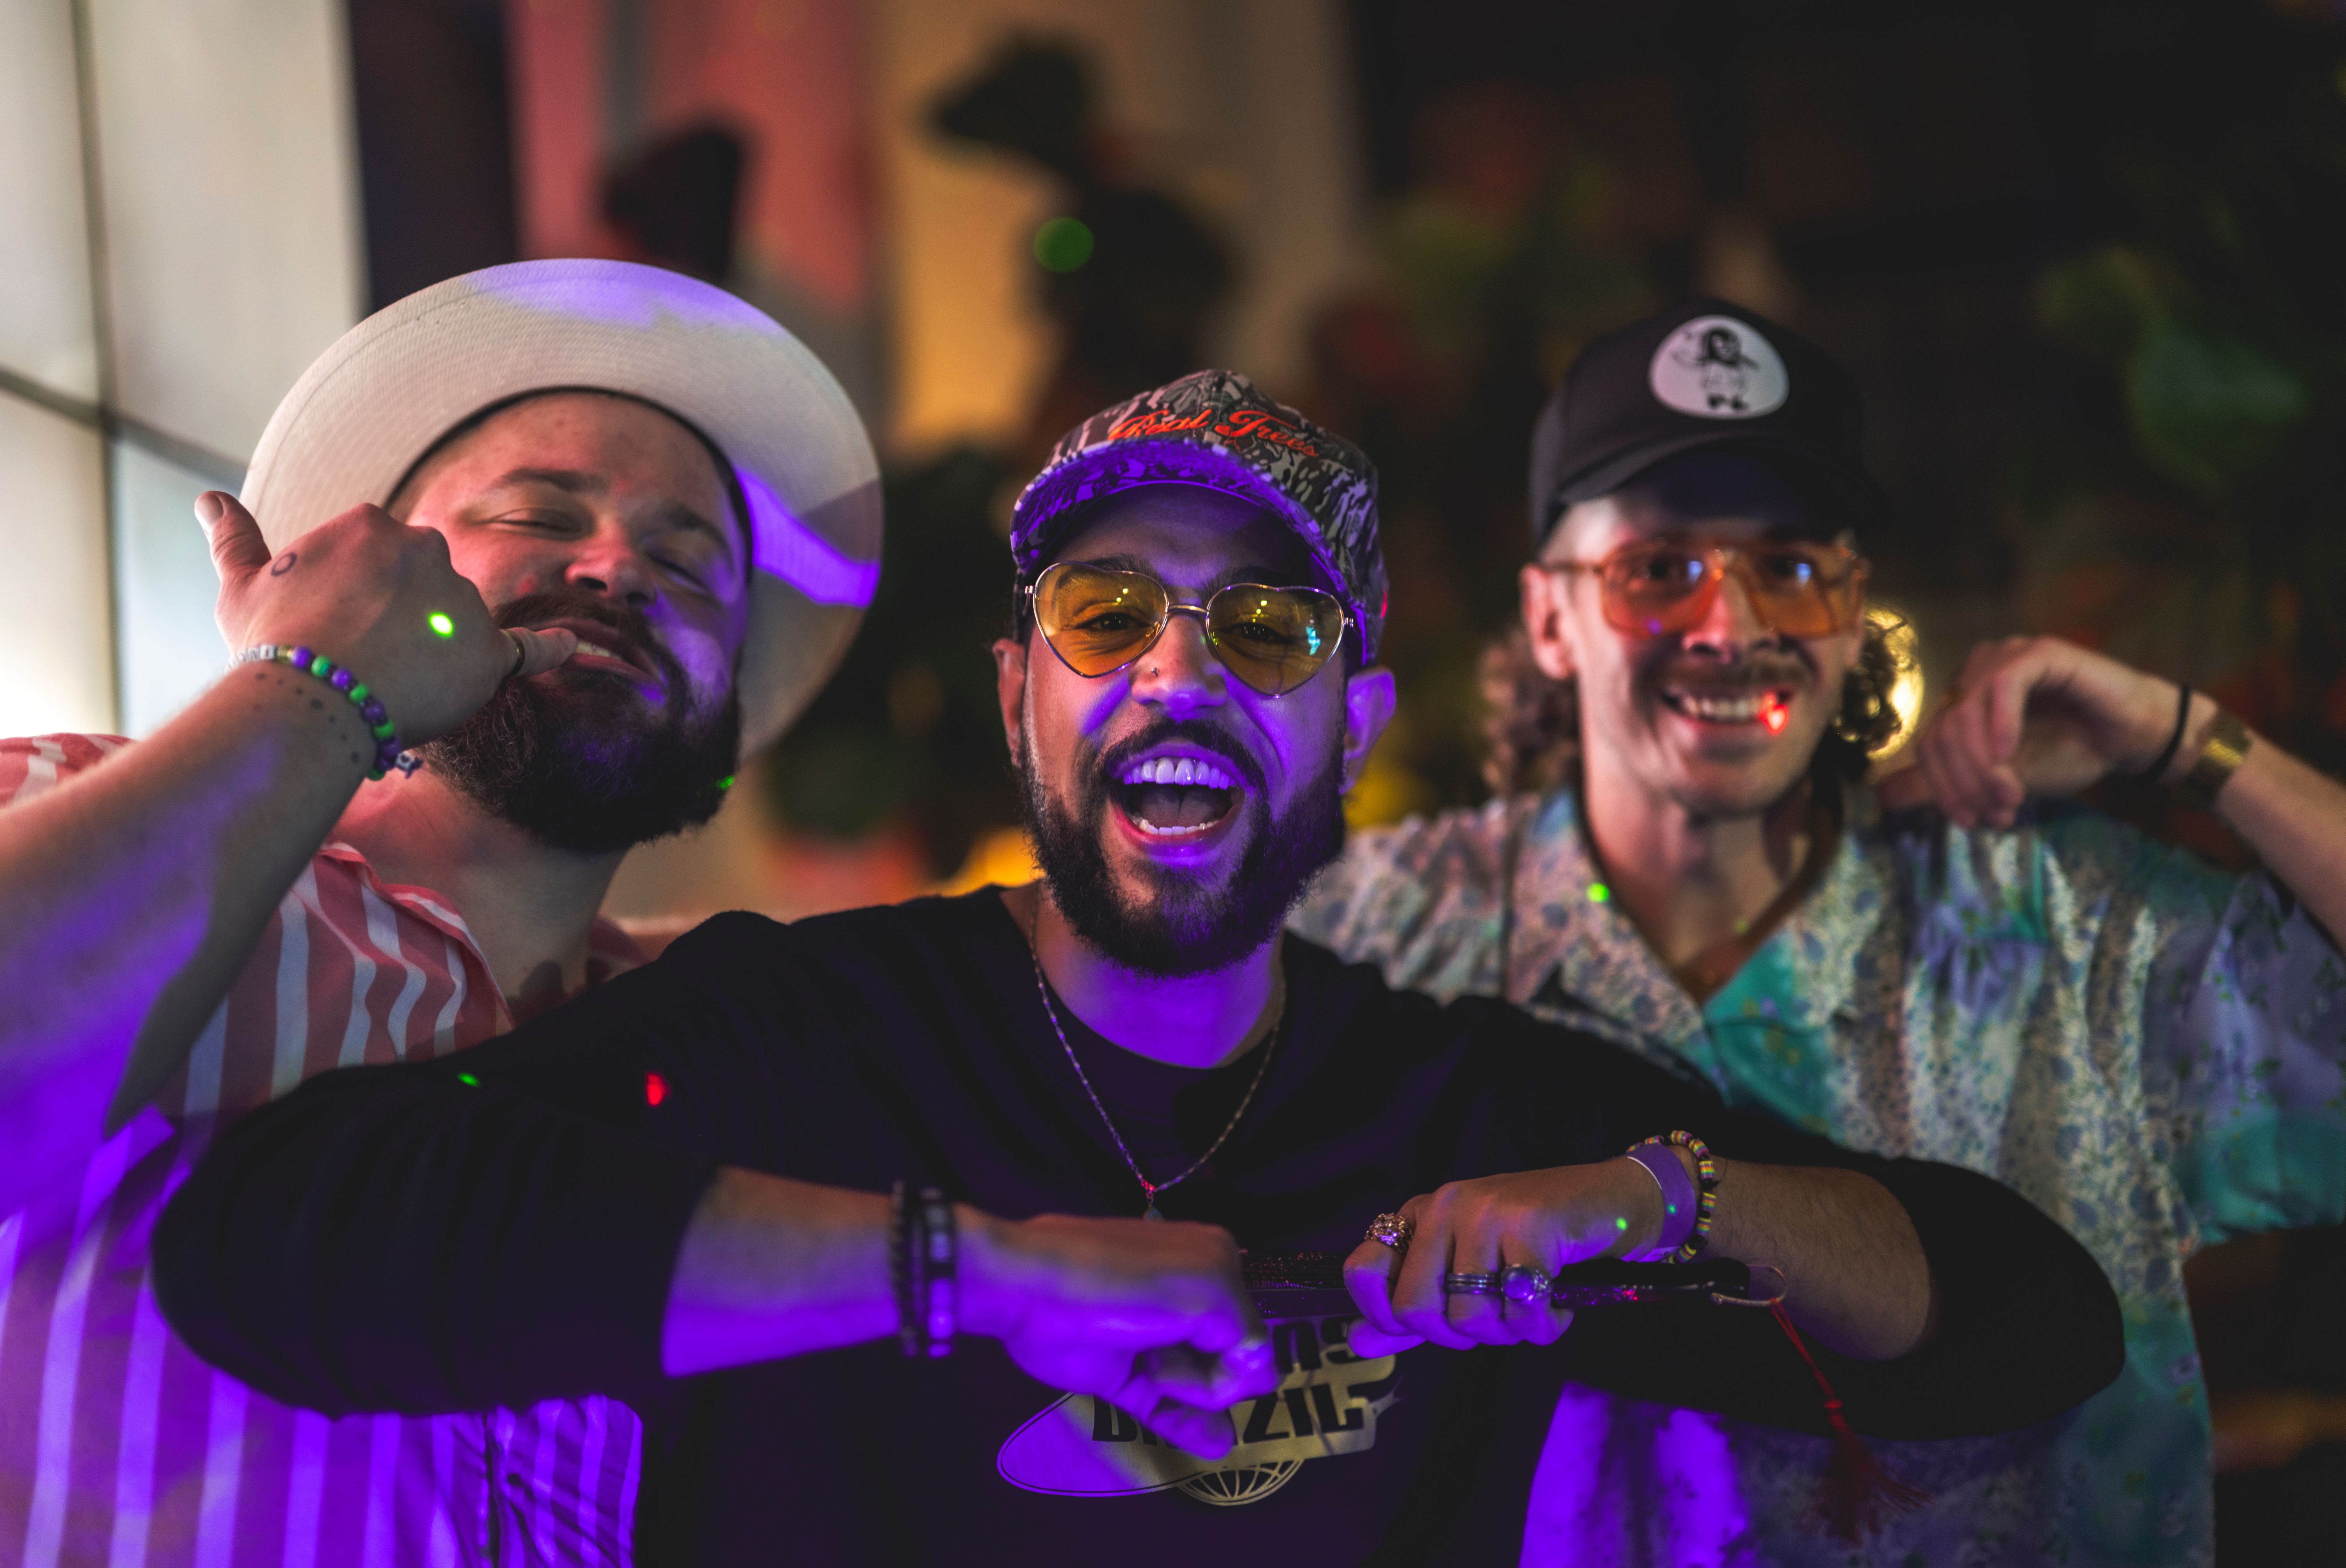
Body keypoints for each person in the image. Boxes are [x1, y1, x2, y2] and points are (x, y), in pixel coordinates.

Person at [154, 370, 2123, 1563]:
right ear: (1023, 693)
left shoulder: (1470, 1107)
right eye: (1109, 615)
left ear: (1353, 720)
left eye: (1265, 629)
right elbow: (281, 1244)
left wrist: (1663, 1197)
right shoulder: (802, 1031)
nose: (1178, 671)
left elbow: (2028, 1327)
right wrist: (974, 1268)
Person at [0, 261, 1264, 1565]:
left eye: (688, 561)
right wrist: (318, 678)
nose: (616, 569)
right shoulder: (60, 800)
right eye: (538, 515)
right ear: (373, 564)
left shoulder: (727, 1039)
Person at [1292, 299, 2346, 1565]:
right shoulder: (1373, 933)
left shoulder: (2065, 925)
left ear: (1853, 616)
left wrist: (2195, 746)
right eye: (1658, 568)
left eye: (1792, 566)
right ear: (1548, 619)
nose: (1731, 629)